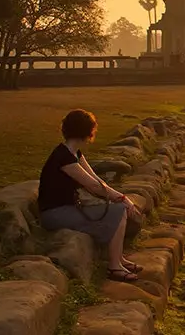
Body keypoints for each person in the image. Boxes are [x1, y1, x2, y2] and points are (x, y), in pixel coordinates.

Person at [38, 109, 143, 281]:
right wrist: (125, 200)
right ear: (87, 131)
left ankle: (119, 259)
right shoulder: (64, 157)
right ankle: (114, 267)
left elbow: (97, 180)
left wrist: (121, 198)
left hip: (67, 208)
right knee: (118, 211)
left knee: (118, 209)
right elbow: (94, 187)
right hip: (55, 214)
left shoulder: (75, 153)